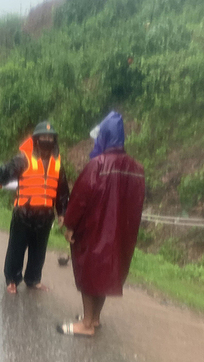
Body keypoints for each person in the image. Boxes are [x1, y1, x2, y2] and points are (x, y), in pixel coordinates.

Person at [57, 111, 145, 336]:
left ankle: (86, 325)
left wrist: (69, 225)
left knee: (88, 273)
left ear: (104, 136)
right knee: (105, 273)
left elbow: (79, 198)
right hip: (121, 233)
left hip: (94, 228)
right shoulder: (137, 169)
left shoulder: (97, 165)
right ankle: (94, 318)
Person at [0, 121, 69, 294]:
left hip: (46, 214)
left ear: (54, 141)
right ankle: (12, 280)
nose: (47, 140)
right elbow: (5, 173)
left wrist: (62, 211)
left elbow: (62, 190)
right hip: (24, 212)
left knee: (38, 250)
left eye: (50, 137)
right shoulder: (23, 158)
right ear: (36, 139)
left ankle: (33, 279)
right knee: (16, 248)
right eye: (43, 137)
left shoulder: (58, 162)